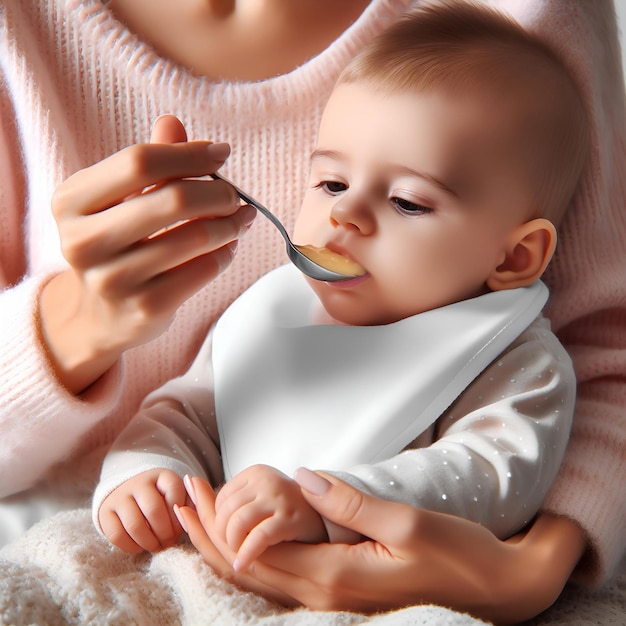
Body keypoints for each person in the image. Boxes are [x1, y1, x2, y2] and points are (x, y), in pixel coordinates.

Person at [0, 0, 623, 622]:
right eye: (330, 184)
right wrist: (148, 475)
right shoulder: (278, 312)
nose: (345, 215)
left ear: (516, 256)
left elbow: (490, 476)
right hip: (199, 561)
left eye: (407, 202)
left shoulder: (513, 359)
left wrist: (328, 506)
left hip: (401, 591)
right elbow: (183, 413)